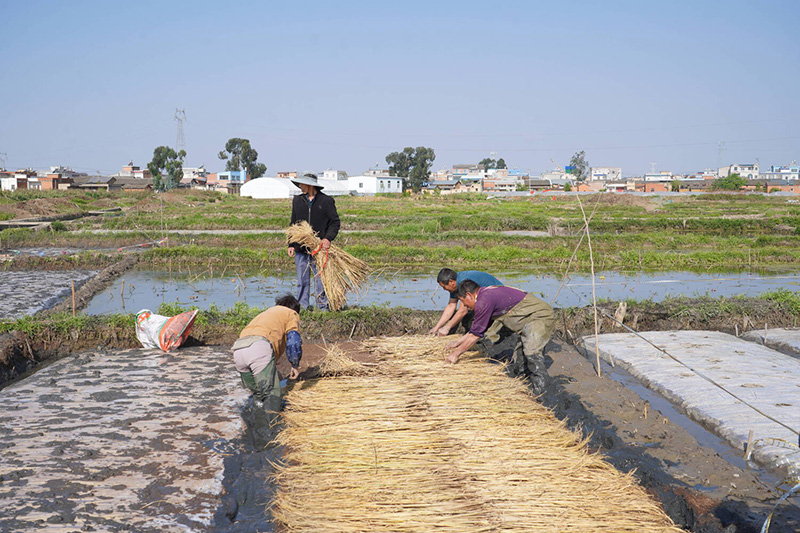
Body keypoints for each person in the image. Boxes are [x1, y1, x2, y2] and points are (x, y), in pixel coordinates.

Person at [445, 280, 555, 395]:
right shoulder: (484, 295)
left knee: (532, 353)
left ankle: (541, 392)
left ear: (469, 295)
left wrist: (455, 355)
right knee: (520, 360)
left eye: (463, 301)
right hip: (527, 320)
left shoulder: (484, 301)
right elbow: (476, 329)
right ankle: (525, 386)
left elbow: (475, 336)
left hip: (538, 316)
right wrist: (458, 342)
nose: (465, 306)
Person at [232, 294, 303, 415]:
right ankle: (271, 428)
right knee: (271, 396)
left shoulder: (266, 314)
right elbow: (293, 341)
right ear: (295, 309)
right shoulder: (291, 313)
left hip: (238, 350)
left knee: (258, 395)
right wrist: (294, 364)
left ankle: (254, 423)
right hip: (259, 348)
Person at [287, 173, 340, 310]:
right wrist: (291, 244)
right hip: (301, 247)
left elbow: (334, 222)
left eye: (302, 184)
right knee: (302, 280)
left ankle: (322, 307)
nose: (300, 187)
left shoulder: (326, 201)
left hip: (319, 248)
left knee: (321, 279)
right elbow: (294, 223)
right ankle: (302, 307)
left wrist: (327, 238)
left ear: (310, 186)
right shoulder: (297, 200)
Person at [428, 268, 503, 336]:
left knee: (474, 326)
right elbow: (451, 305)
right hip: (487, 301)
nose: (444, 289)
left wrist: (447, 328)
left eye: (444, 287)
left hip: (499, 299)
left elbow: (463, 310)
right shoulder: (455, 285)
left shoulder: (464, 283)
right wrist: (436, 327)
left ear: (451, 282)